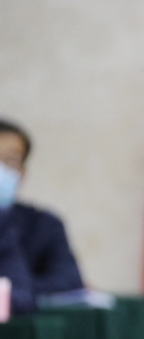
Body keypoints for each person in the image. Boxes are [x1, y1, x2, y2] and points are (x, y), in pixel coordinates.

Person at [0, 118, 84, 314]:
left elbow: (68, 280)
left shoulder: (42, 224)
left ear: (23, 171)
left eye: (10, 161)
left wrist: (9, 292)